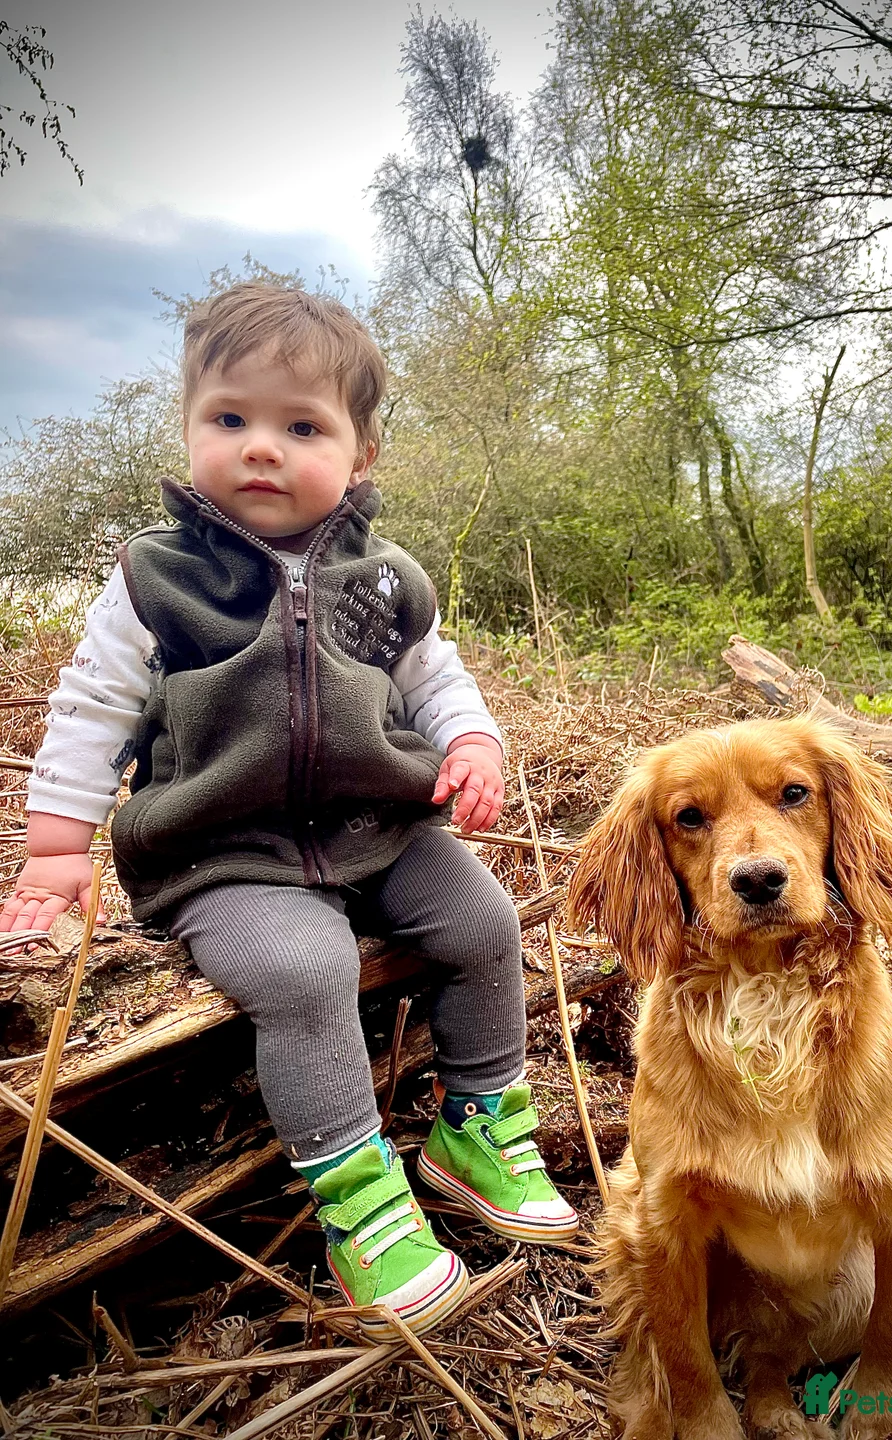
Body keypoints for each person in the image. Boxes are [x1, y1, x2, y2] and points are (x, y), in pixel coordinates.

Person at [0, 283, 577, 1339]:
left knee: (484, 923)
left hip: (377, 827)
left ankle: (478, 1128)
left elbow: (435, 681)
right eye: (231, 418)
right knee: (308, 969)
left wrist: (473, 744)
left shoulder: (387, 578)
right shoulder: (156, 579)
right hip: (224, 853)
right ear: (189, 429)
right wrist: (55, 847)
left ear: (360, 458)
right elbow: (92, 708)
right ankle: (358, 1200)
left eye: (301, 426)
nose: (260, 446)